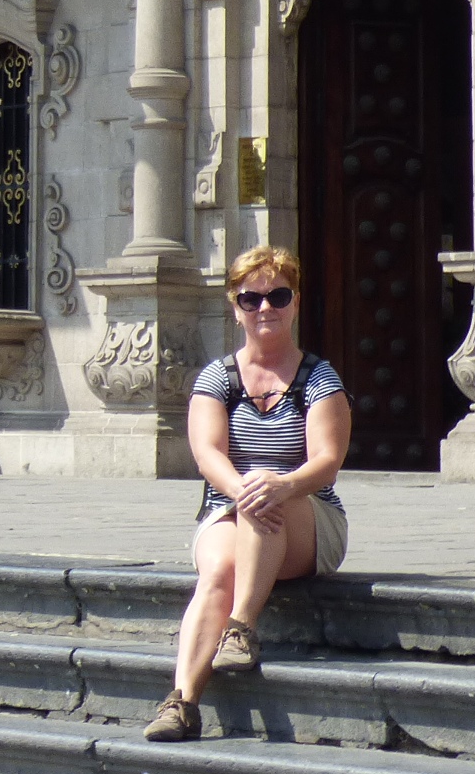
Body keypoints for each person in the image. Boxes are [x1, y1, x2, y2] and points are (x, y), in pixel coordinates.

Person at [143, 243, 350, 741]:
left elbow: (327, 460)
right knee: (217, 569)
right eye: (251, 299)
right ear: (234, 307)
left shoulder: (319, 377)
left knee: (266, 495)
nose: (265, 309)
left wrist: (281, 485)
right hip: (230, 506)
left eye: (278, 296)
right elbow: (207, 453)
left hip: (309, 514)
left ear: (296, 302)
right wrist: (243, 490)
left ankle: (240, 626)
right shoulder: (218, 376)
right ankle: (183, 703)